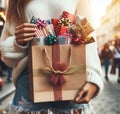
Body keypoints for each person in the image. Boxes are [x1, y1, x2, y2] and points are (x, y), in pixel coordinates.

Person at [0, 0, 104, 114]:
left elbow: (86, 32)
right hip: (28, 79)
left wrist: (93, 77)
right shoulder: (16, 1)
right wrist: (17, 42)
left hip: (72, 73)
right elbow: (6, 49)